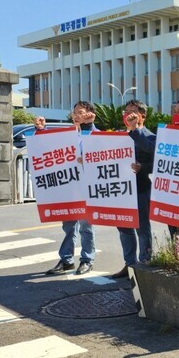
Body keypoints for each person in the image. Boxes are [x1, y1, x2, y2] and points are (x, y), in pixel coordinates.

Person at [39, 101, 98, 275]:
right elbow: (47, 146)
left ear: (90, 114)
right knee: (69, 225)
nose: (76, 115)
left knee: (86, 226)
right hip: (69, 185)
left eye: (80, 112)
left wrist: (89, 126)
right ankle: (66, 260)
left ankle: (87, 259)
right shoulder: (67, 134)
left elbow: (98, 150)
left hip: (86, 186)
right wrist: (41, 130)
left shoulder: (94, 133)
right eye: (74, 112)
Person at [112, 99, 156, 279]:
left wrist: (142, 167)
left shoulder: (150, 136)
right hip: (120, 190)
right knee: (124, 228)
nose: (127, 115)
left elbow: (156, 162)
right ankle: (129, 264)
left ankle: (144, 264)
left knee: (142, 228)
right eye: (126, 112)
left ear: (142, 116)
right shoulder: (117, 136)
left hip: (140, 188)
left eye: (132, 112)